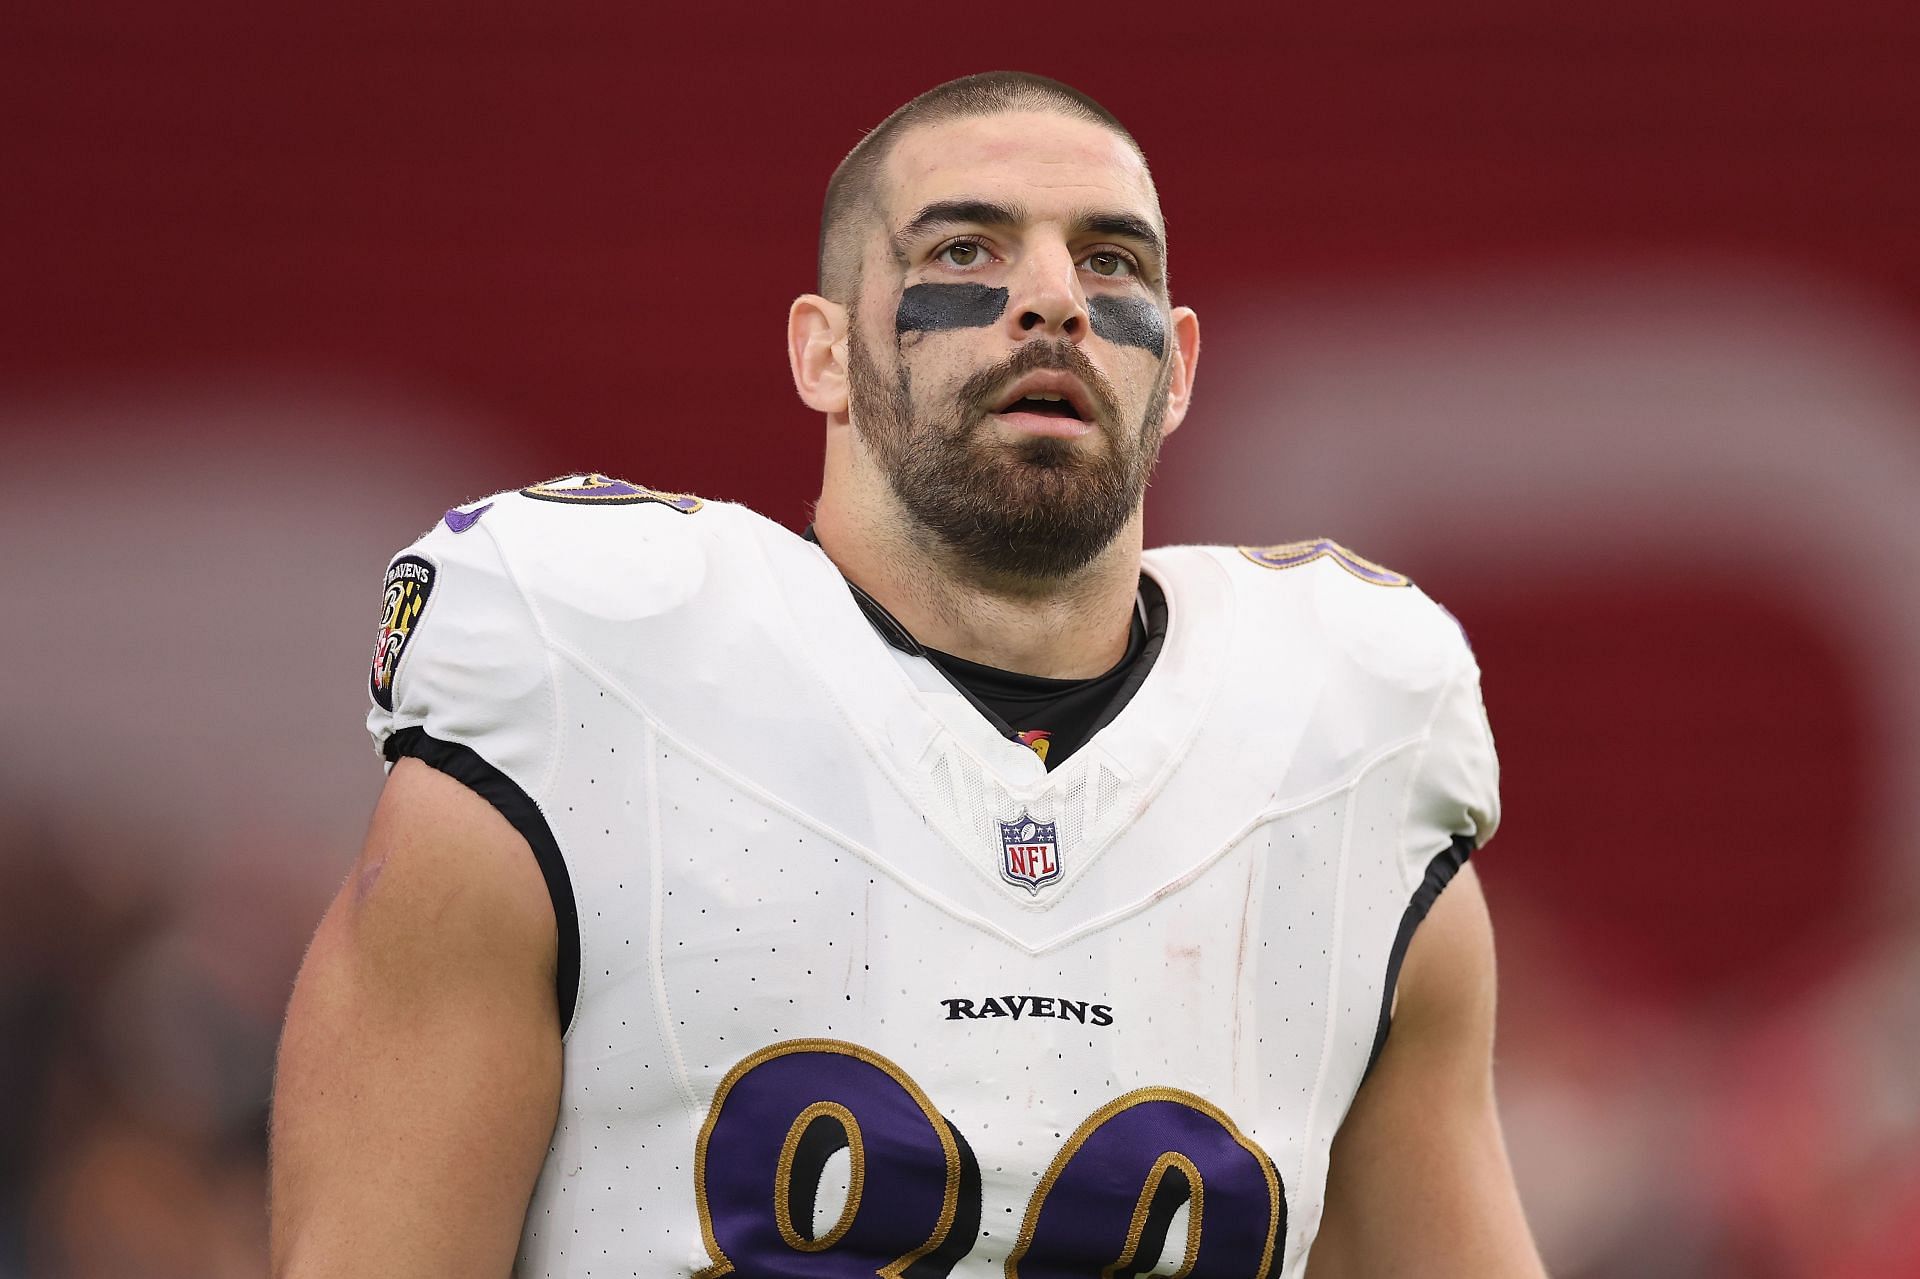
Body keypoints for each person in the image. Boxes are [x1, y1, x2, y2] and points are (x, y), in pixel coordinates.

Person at [270, 71, 1547, 1279]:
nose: (1051, 300)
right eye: (963, 251)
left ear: (1179, 372)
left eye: (1110, 261)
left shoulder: (1345, 742)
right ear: (820, 353)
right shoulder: (590, 682)